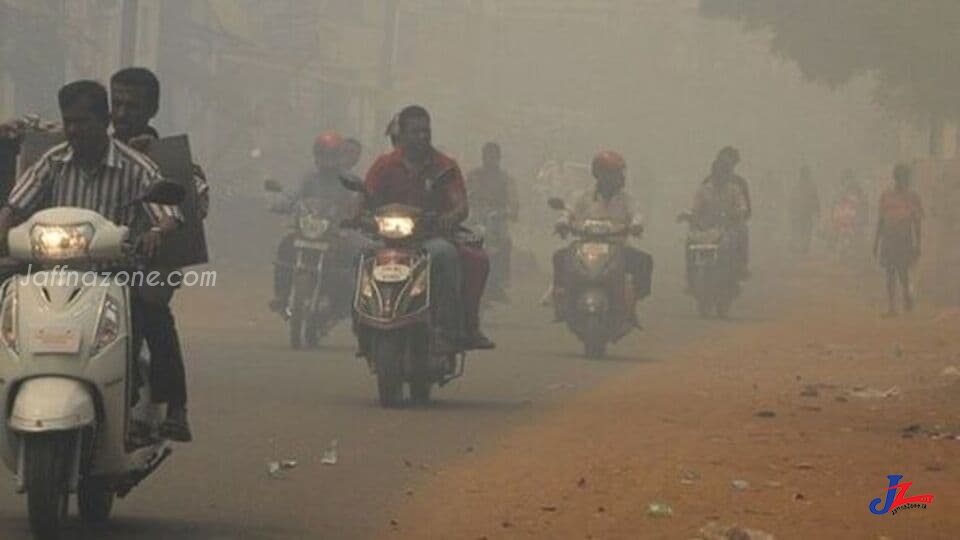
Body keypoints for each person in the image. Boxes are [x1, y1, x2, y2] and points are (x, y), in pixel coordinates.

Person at [0, 81, 184, 432]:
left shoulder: (136, 166)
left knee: (147, 314)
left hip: (114, 274)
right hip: (52, 272)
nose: (73, 130)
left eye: (82, 122)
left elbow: (169, 214)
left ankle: (150, 403)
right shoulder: (52, 162)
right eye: (68, 121)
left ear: (104, 121)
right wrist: (4, 228)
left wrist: (157, 232)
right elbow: (14, 205)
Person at [109, 67, 210, 442]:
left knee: (150, 315)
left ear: (151, 108)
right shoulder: (92, 148)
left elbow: (195, 196)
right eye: (115, 102)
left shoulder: (167, 155)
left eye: (131, 105)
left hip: (152, 263)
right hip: (96, 261)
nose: (120, 113)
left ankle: (175, 407)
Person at [361, 105, 494, 352]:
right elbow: (365, 197)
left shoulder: (445, 166)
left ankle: (450, 326)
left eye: (425, 131)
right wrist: (359, 216)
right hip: (388, 238)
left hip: (429, 237)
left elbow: (460, 205)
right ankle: (363, 317)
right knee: (360, 254)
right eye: (414, 131)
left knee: (445, 254)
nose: (421, 136)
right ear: (401, 134)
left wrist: (448, 218)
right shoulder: (384, 165)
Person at [552, 151, 653, 327]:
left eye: (620, 172)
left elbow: (637, 214)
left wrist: (636, 225)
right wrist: (562, 223)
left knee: (644, 262)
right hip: (585, 245)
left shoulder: (626, 198)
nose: (620, 177)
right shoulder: (582, 196)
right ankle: (562, 298)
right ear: (600, 174)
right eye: (614, 172)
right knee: (559, 258)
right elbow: (568, 211)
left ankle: (631, 303)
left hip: (616, 247)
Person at [270, 130, 353, 312]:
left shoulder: (348, 180)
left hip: (335, 233)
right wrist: (281, 204)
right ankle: (282, 295)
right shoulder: (309, 178)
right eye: (324, 154)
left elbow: (358, 200)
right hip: (309, 230)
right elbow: (293, 196)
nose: (328, 159)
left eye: (332, 154)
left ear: (340, 156)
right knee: (285, 246)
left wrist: (355, 214)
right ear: (317, 155)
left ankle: (341, 301)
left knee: (350, 255)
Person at [686, 154, 750, 291]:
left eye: (723, 172)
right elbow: (695, 208)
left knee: (738, 238)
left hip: (728, 228)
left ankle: (739, 269)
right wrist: (689, 216)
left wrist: (738, 213)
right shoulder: (704, 189)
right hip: (706, 229)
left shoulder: (735, 189)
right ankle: (690, 278)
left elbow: (743, 206)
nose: (719, 176)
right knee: (690, 244)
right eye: (717, 172)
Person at [466, 142, 519, 297]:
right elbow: (465, 194)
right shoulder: (473, 176)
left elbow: (513, 199)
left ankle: (501, 279)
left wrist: (511, 212)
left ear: (498, 158)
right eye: (487, 155)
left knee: (505, 241)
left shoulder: (505, 179)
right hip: (476, 218)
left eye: (493, 156)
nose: (490, 159)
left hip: (497, 218)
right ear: (482, 157)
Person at [873, 164, 923, 317]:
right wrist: (876, 242)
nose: (903, 180)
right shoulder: (886, 196)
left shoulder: (913, 197)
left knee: (903, 273)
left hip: (904, 240)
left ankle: (907, 296)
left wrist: (918, 244)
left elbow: (917, 223)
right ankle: (892, 307)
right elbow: (881, 220)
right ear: (896, 178)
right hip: (889, 239)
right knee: (889, 273)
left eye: (905, 177)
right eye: (901, 177)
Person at [701, 146, 750, 276]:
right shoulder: (706, 185)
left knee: (742, 230)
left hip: (731, 224)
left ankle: (741, 265)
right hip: (709, 225)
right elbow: (698, 207)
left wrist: (737, 215)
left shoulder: (738, 185)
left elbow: (746, 209)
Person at [789, 165, 820, 255]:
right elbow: (815, 199)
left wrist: (817, 210)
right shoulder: (802, 185)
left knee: (805, 229)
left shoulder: (804, 185)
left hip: (805, 212)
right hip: (803, 212)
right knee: (804, 229)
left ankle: (804, 246)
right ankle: (802, 246)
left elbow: (815, 199)